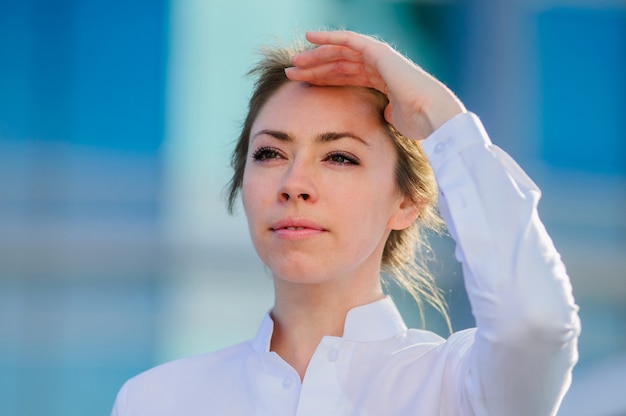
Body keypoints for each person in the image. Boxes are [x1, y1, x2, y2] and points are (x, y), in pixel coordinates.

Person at [111, 30, 580, 415]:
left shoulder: (457, 387)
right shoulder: (156, 400)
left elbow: (536, 323)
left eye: (339, 156)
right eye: (270, 153)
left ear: (408, 201)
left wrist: (442, 117)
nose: (295, 183)